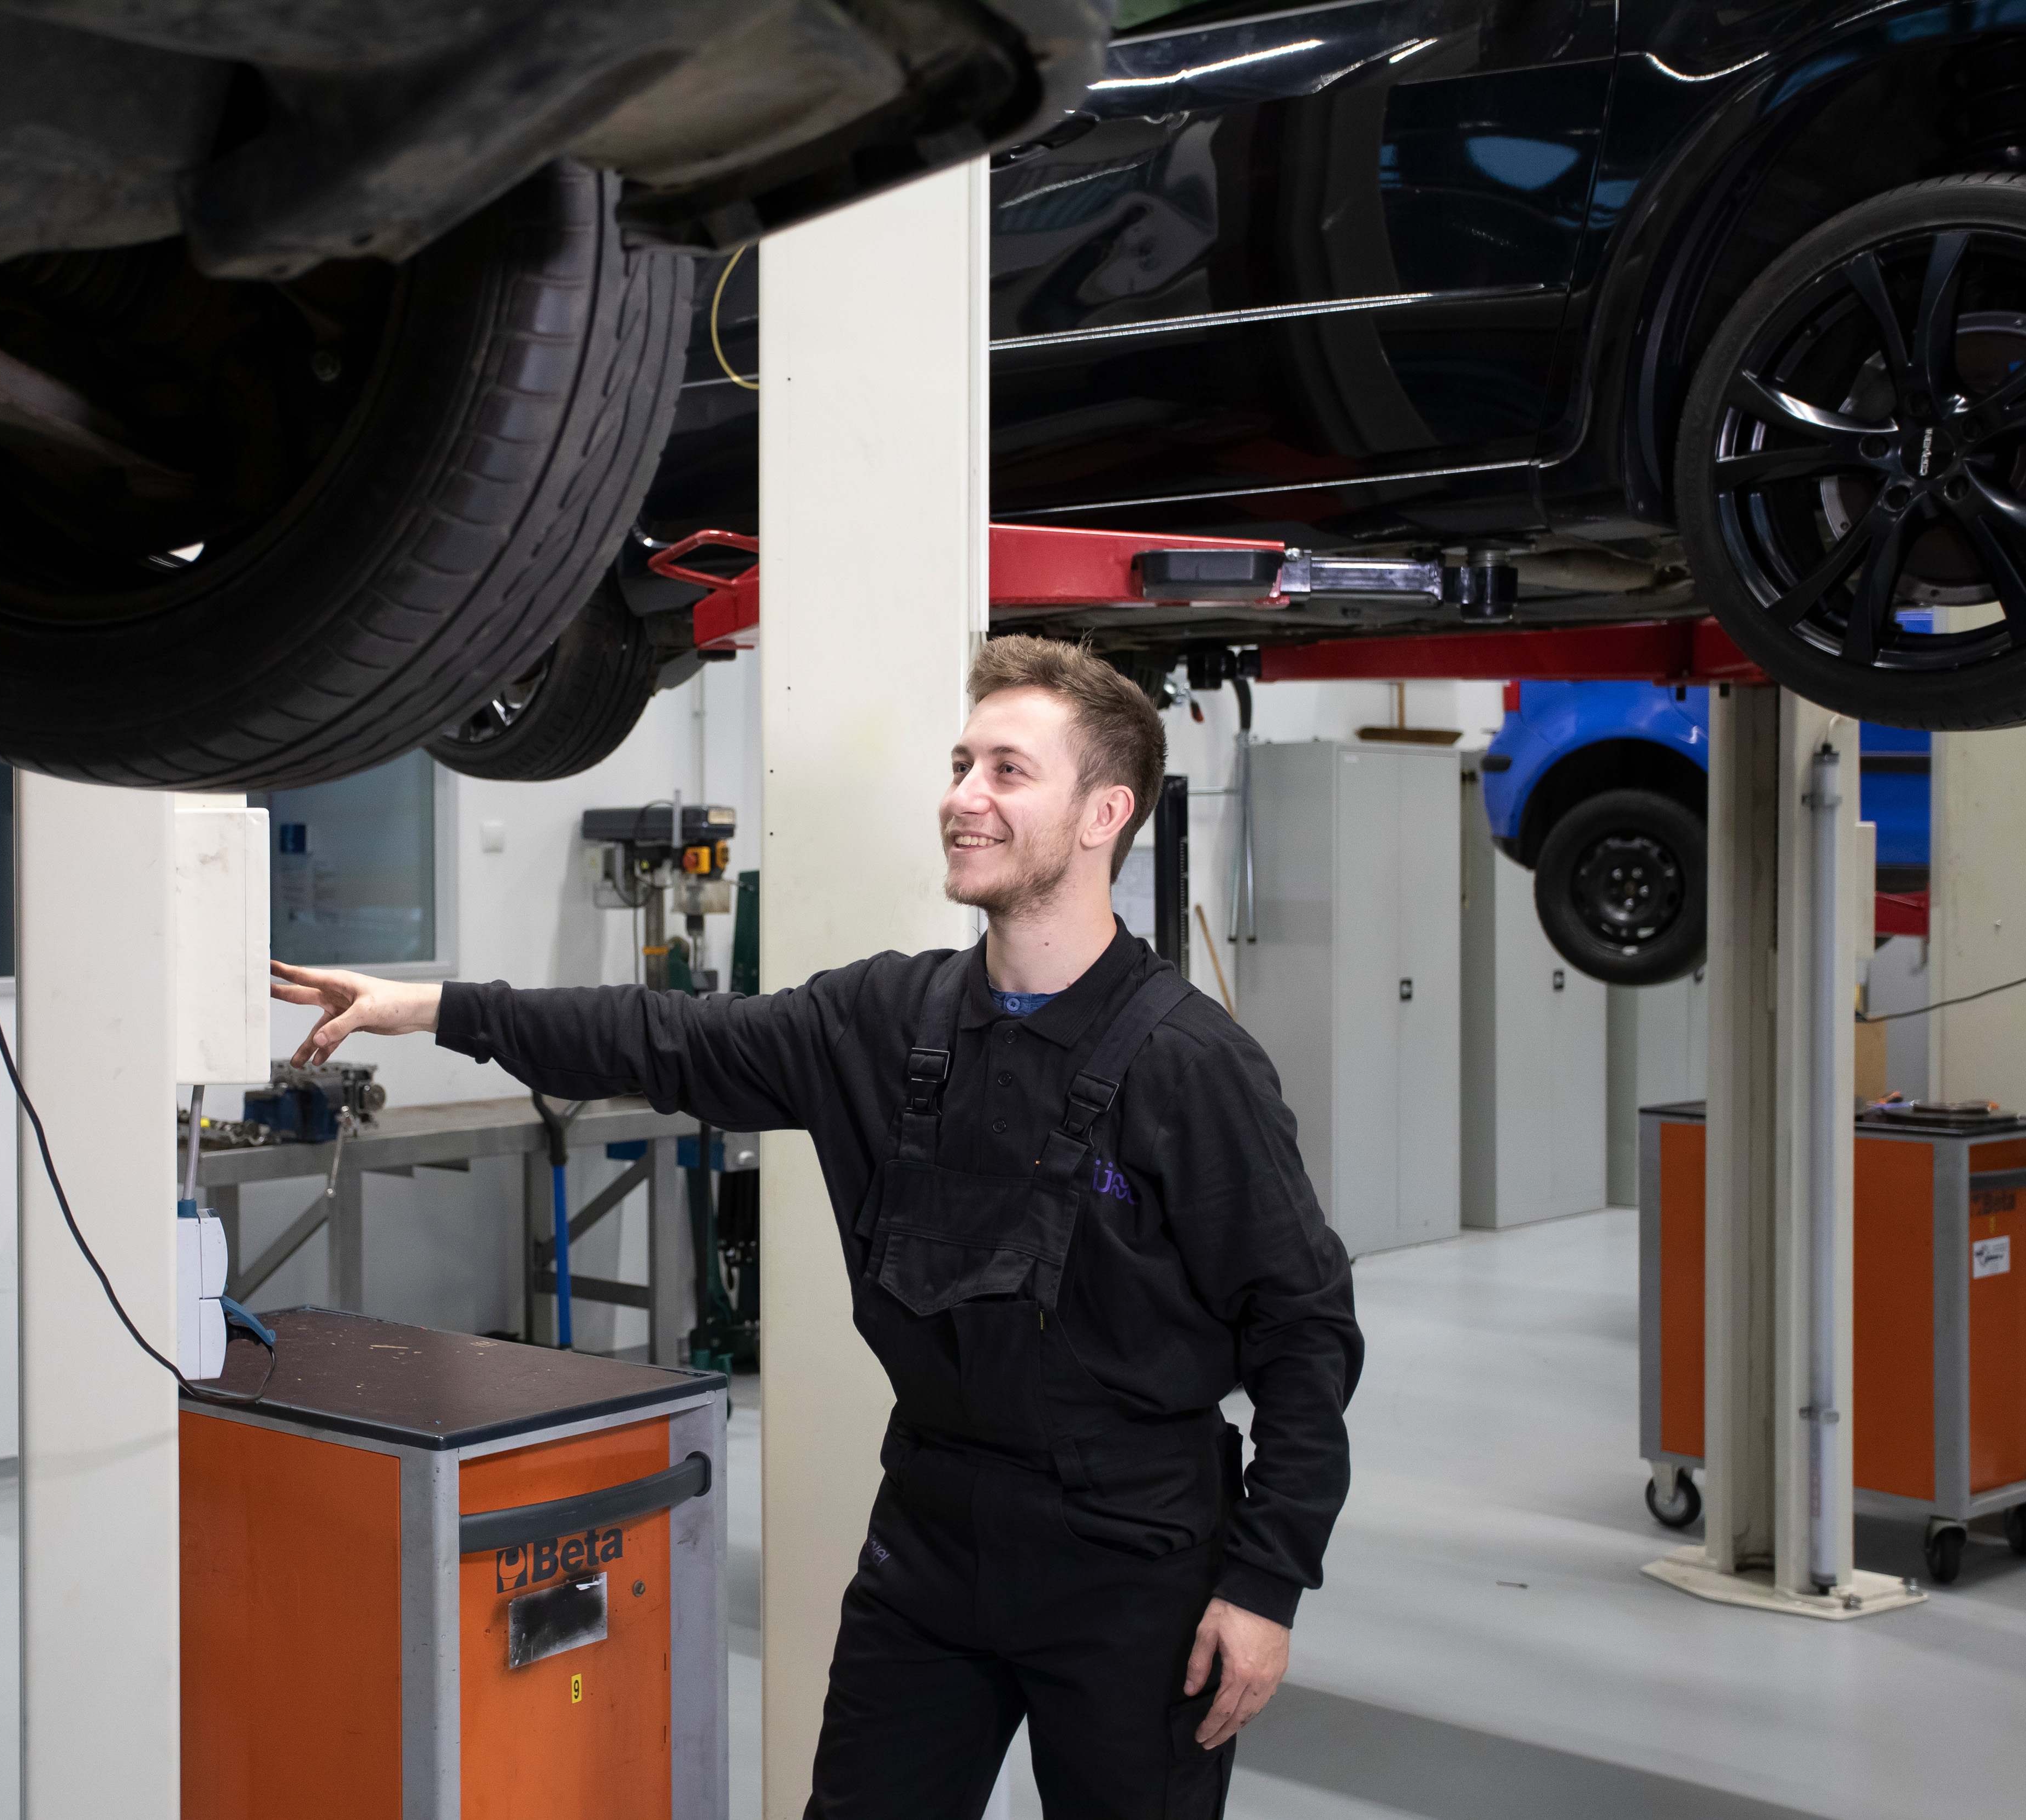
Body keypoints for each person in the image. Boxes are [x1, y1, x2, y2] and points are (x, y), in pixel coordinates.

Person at [270, 635, 1361, 1819]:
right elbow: (664, 1037)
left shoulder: (1193, 1065)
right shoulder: (886, 1020)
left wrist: (1266, 1579)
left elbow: (1305, 1331)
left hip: (1134, 1552)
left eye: (1008, 770)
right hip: (932, 1532)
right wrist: (433, 1007)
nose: (963, 796)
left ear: (1105, 812)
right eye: (961, 764)